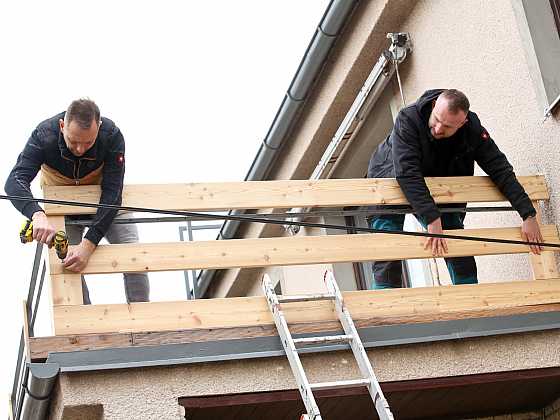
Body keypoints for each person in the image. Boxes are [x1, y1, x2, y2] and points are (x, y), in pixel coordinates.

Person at [367, 88, 543, 289]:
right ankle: (386, 305)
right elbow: (407, 172)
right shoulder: (409, 118)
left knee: (456, 243)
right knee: (389, 245)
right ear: (434, 106)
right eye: (437, 119)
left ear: (463, 123)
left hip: (439, 186)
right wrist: (432, 218)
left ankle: (471, 297)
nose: (438, 128)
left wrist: (528, 215)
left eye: (448, 126)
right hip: (389, 176)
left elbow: (500, 170)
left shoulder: (473, 131)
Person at [5, 98, 149, 303]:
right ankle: (86, 329)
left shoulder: (112, 136)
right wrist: (37, 214)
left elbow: (113, 192)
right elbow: (15, 180)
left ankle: (142, 320)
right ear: (62, 125)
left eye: (88, 142)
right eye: (73, 141)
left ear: (98, 128)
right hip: (62, 207)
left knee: (134, 255)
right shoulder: (43, 136)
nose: (80, 149)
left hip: (105, 203)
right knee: (67, 262)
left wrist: (88, 245)